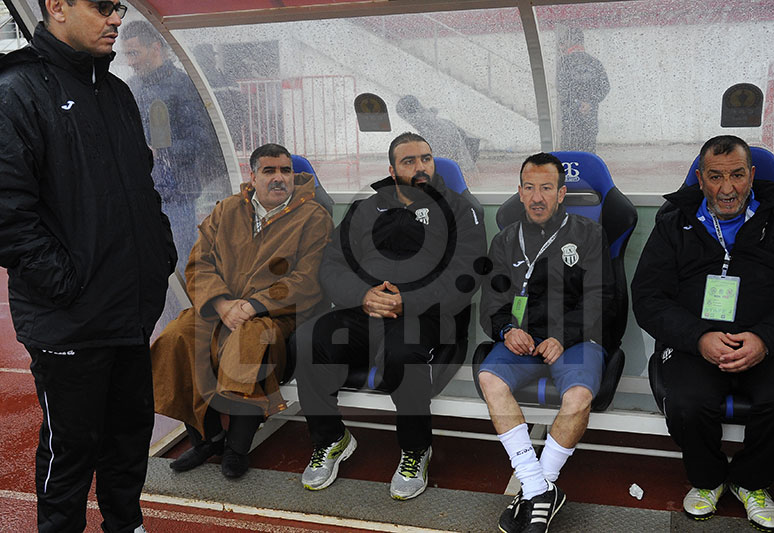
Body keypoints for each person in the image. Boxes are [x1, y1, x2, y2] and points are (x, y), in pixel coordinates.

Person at [0, 1, 177, 532]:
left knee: (129, 435)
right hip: (70, 314)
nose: (116, 18)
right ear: (57, 6)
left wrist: (159, 254)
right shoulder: (16, 91)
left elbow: (142, 187)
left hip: (130, 306)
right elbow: (8, 213)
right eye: (102, 6)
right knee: (72, 447)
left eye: (118, 7)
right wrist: (65, 284)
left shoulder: (116, 91)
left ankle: (126, 524)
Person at [294, 132, 486, 500]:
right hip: (365, 310)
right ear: (393, 170)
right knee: (308, 338)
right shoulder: (366, 209)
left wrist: (406, 302)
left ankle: (416, 449)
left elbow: (465, 275)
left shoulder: (461, 210)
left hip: (427, 315)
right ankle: (331, 438)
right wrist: (363, 296)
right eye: (409, 161)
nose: (420, 167)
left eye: (426, 158)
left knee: (403, 352)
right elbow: (331, 264)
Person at [632, 135, 774, 531]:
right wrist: (697, 337)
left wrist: (765, 340)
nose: (728, 189)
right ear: (700, 178)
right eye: (716, 177)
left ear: (752, 175)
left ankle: (750, 481)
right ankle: (708, 479)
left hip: (768, 343)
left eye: (737, 175)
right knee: (687, 403)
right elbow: (649, 297)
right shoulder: (673, 222)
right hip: (696, 343)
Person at [150, 143, 332, 478]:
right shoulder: (227, 210)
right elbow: (200, 264)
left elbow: (307, 279)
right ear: (253, 176)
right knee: (177, 338)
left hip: (277, 316)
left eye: (286, 171)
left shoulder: (313, 217)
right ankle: (207, 439)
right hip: (220, 309)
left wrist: (252, 305)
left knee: (249, 342)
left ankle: (237, 447)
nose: (279, 178)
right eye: (269, 171)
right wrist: (222, 304)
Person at [478, 153, 613, 533]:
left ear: (561, 193)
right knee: (489, 379)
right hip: (522, 340)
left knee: (578, 397)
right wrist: (507, 329)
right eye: (530, 188)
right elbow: (492, 303)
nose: (537, 197)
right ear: (520, 192)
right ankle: (540, 489)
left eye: (547, 188)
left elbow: (602, 298)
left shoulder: (588, 234)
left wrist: (562, 336)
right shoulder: (505, 240)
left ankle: (536, 486)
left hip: (575, 338)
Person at [121, 20, 230, 272]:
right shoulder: (133, 86)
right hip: (142, 191)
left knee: (179, 263)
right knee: (146, 263)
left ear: (155, 48)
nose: (130, 62)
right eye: (127, 54)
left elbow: (202, 141)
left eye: (134, 53)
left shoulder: (183, 86)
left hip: (178, 194)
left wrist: (160, 152)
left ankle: (186, 299)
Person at [556, 27, 609, 153]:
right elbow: (605, 86)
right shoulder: (595, 62)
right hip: (590, 120)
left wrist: (577, 103)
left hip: (570, 122)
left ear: (569, 42)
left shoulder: (563, 63)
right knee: (588, 154)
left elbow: (562, 88)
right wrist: (590, 102)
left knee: (570, 157)